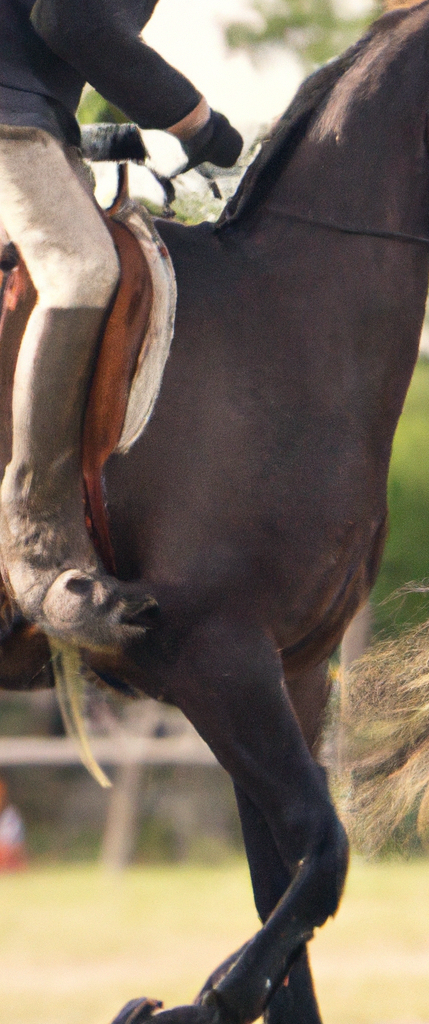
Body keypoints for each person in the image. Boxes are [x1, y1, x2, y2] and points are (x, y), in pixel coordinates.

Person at [0, 0, 243, 651]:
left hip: (33, 123)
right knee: (79, 268)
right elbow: (69, 19)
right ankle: (36, 541)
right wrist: (194, 120)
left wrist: (76, 129)